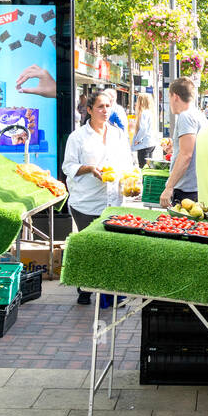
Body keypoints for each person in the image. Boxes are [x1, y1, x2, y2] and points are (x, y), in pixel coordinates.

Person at [62, 90, 134, 304]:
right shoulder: (77, 137)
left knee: (108, 247)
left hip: (113, 200)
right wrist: (91, 169)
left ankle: (108, 293)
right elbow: (68, 166)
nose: (105, 110)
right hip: (86, 202)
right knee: (91, 247)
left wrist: (131, 182)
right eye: (100, 106)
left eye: (108, 106)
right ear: (89, 110)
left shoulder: (118, 134)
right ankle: (85, 288)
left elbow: (127, 164)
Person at [160, 78, 204, 206]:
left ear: (175, 96)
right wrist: (174, 150)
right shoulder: (198, 115)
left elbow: (186, 155)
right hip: (195, 187)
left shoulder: (186, 116)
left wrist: (169, 187)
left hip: (186, 190)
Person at [129, 93, 157, 168]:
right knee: (148, 167)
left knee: (143, 167)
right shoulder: (150, 112)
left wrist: (137, 139)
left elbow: (143, 128)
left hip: (144, 144)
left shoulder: (144, 113)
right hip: (150, 143)